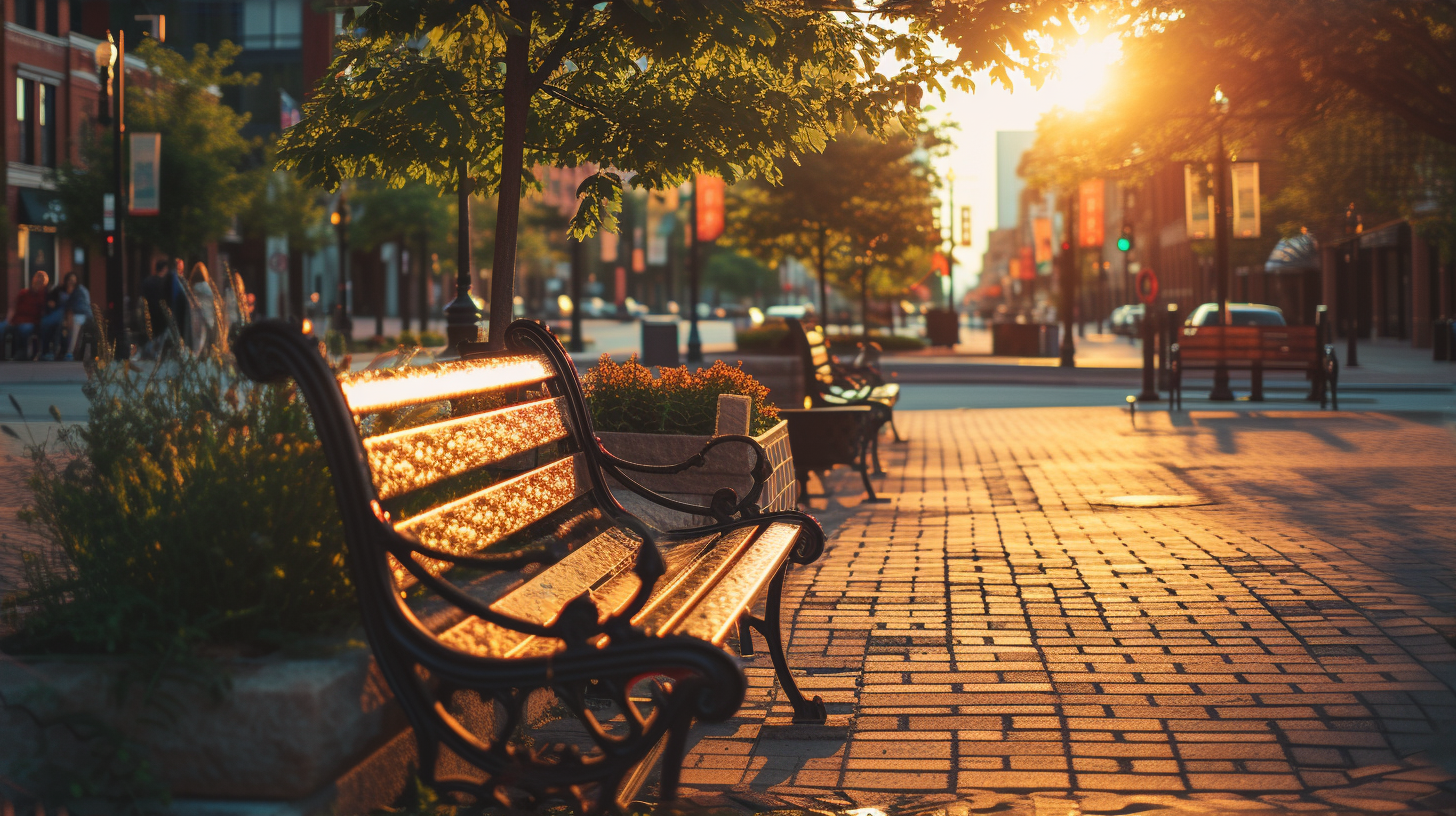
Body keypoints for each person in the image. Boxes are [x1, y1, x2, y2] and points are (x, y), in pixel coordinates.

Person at [39, 272, 91, 360]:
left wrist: (69, 312)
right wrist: (51, 304)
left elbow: (80, 306)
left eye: (73, 281)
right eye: (69, 280)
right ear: (66, 281)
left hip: (76, 314)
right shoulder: (59, 290)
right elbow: (51, 301)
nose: (71, 283)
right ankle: (47, 351)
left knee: (71, 323)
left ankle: (68, 352)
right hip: (60, 313)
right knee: (47, 322)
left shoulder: (80, 291)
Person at [1, 270, 51, 360]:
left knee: (24, 329)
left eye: (42, 279)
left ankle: (22, 352)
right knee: (1, 327)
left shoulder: (45, 295)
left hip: (31, 322)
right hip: (16, 320)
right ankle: (2, 354)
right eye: (37, 277)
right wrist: (8, 320)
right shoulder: (23, 293)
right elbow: (13, 307)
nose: (38, 280)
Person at [186, 262, 216, 352]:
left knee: (193, 347)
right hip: (203, 320)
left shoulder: (191, 288)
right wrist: (210, 323)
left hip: (192, 318)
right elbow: (209, 307)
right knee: (200, 346)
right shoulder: (207, 289)